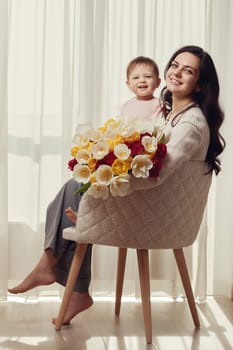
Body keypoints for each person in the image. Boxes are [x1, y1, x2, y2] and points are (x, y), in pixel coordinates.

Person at [8, 45, 225, 326]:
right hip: (151, 207)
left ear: (199, 84)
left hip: (154, 217)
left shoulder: (190, 124)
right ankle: (70, 283)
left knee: (74, 193)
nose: (177, 73)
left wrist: (108, 184)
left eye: (188, 71)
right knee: (73, 194)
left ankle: (54, 268)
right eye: (175, 65)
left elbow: (156, 175)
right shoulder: (173, 115)